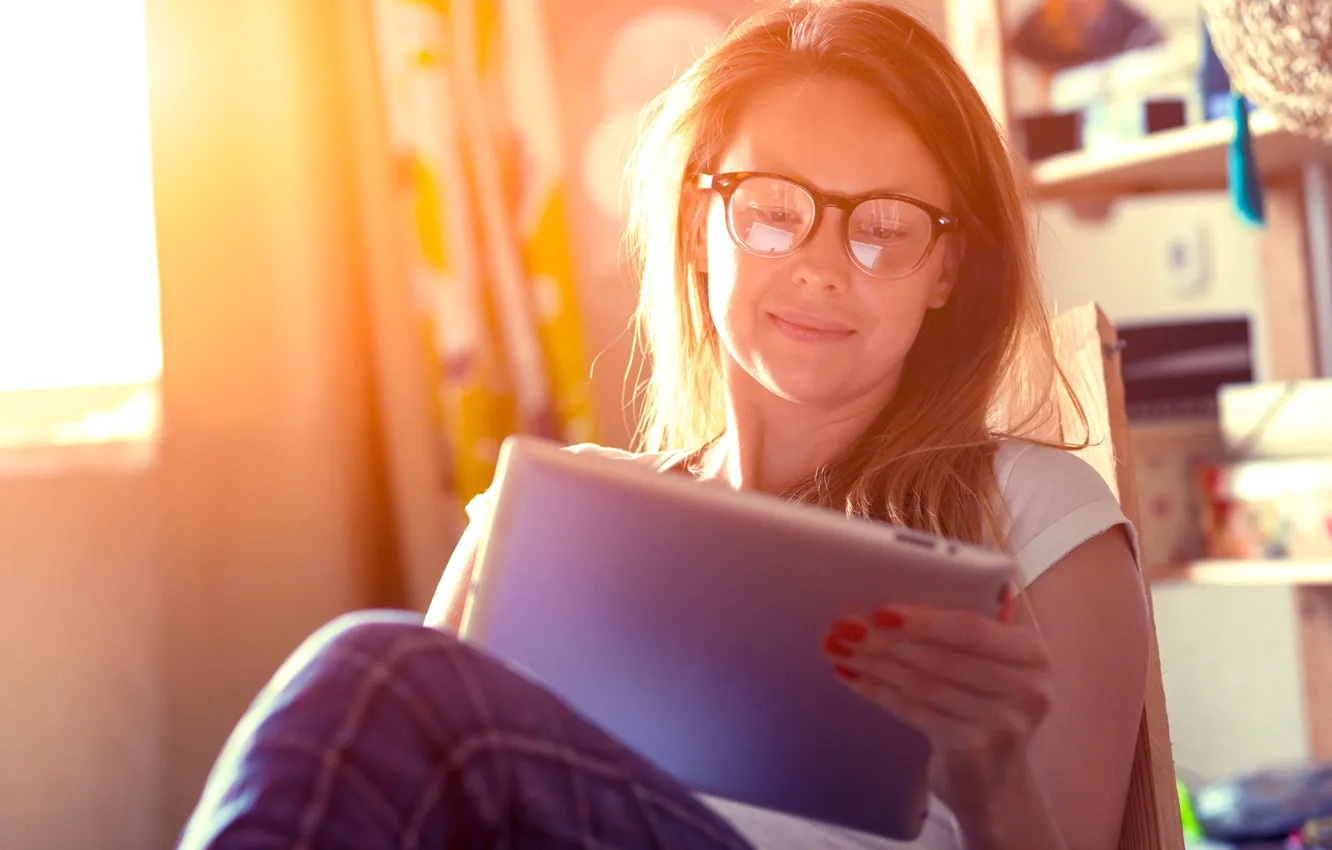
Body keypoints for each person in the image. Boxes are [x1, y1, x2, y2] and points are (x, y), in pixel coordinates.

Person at [176, 1, 1150, 848]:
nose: (820, 264)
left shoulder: (1043, 518)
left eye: (883, 228)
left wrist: (996, 785)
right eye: (773, 211)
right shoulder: (549, 522)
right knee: (381, 677)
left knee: (373, 671)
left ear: (945, 268)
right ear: (697, 225)